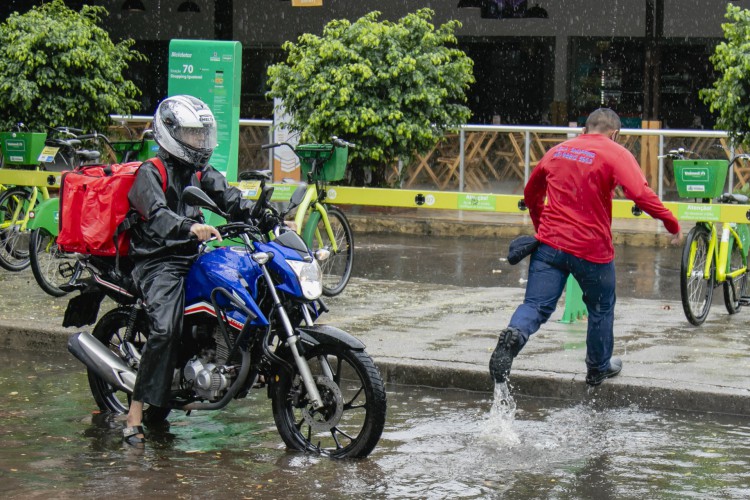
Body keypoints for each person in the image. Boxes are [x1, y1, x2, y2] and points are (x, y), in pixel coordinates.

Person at [489, 108, 682, 387]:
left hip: (550, 246)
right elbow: (639, 193)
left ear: (584, 129)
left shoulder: (558, 151)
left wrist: (541, 226)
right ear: (615, 134)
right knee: (601, 308)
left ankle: (515, 336)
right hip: (592, 251)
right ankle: (597, 368)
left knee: (535, 305)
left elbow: (531, 193)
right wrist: (671, 222)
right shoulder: (616, 153)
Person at [122, 95, 259, 446]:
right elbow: (156, 213)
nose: (199, 142)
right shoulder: (150, 172)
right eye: (192, 135)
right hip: (157, 260)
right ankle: (134, 412)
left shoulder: (198, 171)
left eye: (202, 135)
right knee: (165, 329)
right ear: (171, 134)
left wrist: (262, 212)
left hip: (191, 254)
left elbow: (227, 197)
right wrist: (188, 226)